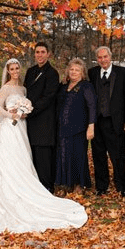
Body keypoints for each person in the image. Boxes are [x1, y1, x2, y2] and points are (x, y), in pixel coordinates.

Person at [0, 60, 87, 235]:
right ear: (8, 71)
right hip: (8, 128)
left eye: (17, 68)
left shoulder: (23, 89)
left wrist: (24, 113)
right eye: (12, 69)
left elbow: (27, 107)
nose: (15, 71)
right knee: (8, 162)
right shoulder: (5, 88)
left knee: (23, 160)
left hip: (22, 129)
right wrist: (11, 115)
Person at [88, 46, 125, 197]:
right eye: (100, 58)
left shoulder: (122, 73)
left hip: (116, 121)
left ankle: (122, 186)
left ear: (110, 57)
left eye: (105, 57)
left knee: (118, 155)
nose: (103, 60)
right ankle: (102, 186)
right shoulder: (92, 72)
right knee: (98, 155)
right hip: (97, 122)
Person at [55, 58, 96, 191]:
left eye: (77, 70)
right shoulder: (63, 86)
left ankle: (79, 184)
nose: (73, 72)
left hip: (79, 128)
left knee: (78, 155)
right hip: (63, 127)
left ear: (82, 72)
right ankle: (66, 183)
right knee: (64, 155)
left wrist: (91, 126)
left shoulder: (86, 86)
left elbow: (92, 106)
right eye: (71, 69)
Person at [24, 42, 60, 192]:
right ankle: (35, 187)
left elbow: (48, 97)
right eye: (37, 52)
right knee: (32, 154)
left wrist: (30, 110)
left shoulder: (52, 73)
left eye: (43, 52)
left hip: (44, 121)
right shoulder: (30, 71)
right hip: (30, 120)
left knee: (43, 155)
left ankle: (46, 187)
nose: (40, 55)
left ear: (48, 54)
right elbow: (25, 92)